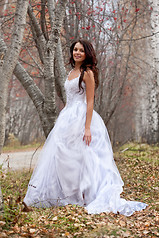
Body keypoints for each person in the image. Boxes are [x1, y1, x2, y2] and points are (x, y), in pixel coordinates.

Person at [23, 39, 147, 216]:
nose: (77, 53)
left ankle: (84, 193)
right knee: (64, 155)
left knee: (84, 156)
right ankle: (67, 193)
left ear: (87, 53)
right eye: (75, 50)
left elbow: (90, 101)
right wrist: (63, 117)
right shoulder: (71, 72)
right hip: (68, 116)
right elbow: (70, 98)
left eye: (81, 50)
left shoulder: (87, 72)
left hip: (83, 117)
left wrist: (87, 127)